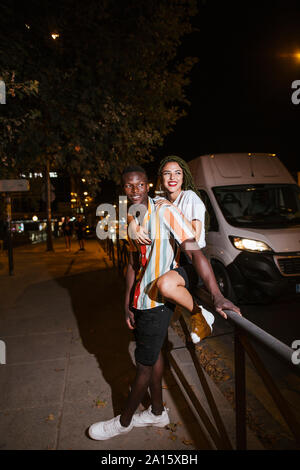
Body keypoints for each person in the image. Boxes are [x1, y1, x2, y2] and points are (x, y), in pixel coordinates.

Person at [88, 165, 241, 441]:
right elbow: (133, 265)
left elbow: (195, 254)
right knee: (153, 353)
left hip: (157, 302)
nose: (135, 190)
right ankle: (157, 413)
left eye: (140, 185)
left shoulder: (165, 210)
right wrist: (127, 303)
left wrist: (216, 295)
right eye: (128, 186)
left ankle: (123, 422)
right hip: (140, 300)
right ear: (123, 189)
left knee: (144, 364)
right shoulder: (130, 216)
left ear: (148, 185)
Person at [130, 155, 214, 344]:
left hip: (194, 263)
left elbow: (194, 235)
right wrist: (132, 225)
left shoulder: (189, 197)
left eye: (177, 173)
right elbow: (134, 209)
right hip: (174, 264)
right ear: (161, 177)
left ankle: (200, 315)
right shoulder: (161, 200)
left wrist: (172, 210)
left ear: (184, 177)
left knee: (165, 286)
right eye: (167, 173)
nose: (172, 177)